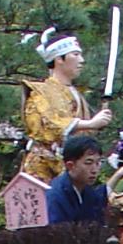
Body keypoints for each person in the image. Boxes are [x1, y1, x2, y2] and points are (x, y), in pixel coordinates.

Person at [20, 26, 112, 183]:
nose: (81, 60)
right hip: (44, 167)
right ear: (59, 59)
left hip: (74, 168)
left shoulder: (76, 93)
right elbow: (45, 124)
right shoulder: (40, 91)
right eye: (75, 55)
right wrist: (88, 123)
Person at [45, 134, 109, 226]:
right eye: (88, 163)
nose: (95, 170)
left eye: (98, 163)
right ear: (70, 165)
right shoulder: (55, 195)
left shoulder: (87, 190)